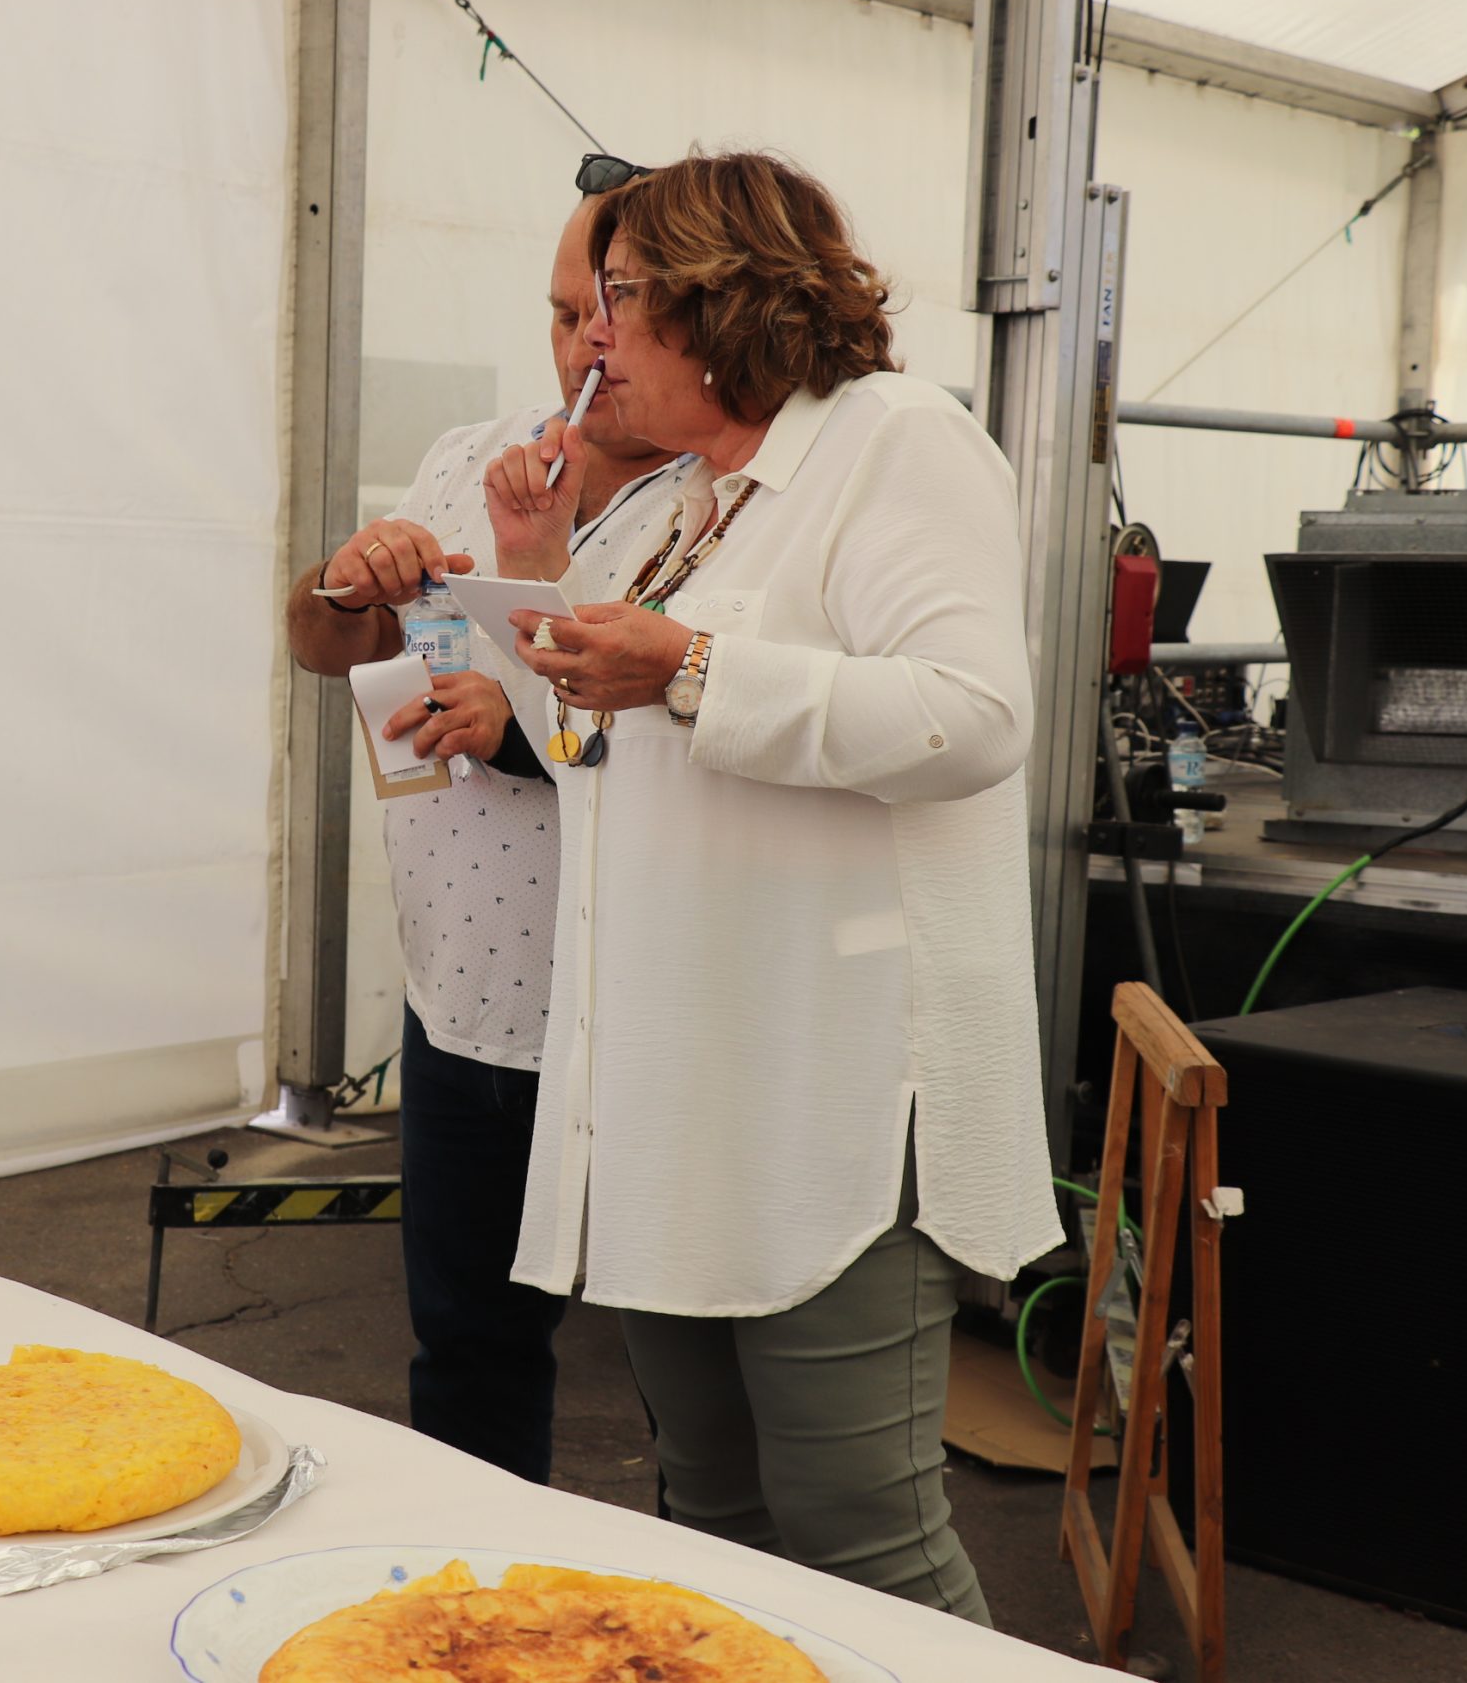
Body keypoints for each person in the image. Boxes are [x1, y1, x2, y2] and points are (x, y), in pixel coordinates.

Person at [484, 151, 1063, 1621]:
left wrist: (689, 666)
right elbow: (586, 752)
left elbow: (973, 717)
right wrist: (539, 573)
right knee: (714, 1521)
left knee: (861, 1537)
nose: (589, 335)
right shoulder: (682, 505)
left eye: (619, 297)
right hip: (681, 1100)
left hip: (833, 1093)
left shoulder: (895, 443)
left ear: (720, 301)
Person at [283, 180, 683, 1482]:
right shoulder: (472, 453)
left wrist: (512, 725)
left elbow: (701, 746)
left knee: (686, 1378)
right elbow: (327, 646)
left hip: (628, 1013)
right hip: (460, 992)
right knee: (465, 1354)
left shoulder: (717, 500)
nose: (584, 347)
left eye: (614, 312)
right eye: (565, 314)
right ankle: (479, 1580)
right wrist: (350, 583)